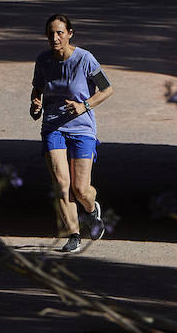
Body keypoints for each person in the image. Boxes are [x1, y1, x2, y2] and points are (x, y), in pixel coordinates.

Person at [30, 14, 114, 253]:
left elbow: (107, 88)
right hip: (53, 126)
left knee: (80, 189)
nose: (55, 38)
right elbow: (38, 89)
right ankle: (73, 234)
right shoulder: (43, 60)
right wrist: (35, 103)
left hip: (82, 128)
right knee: (61, 184)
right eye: (51, 33)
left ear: (70, 33)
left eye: (59, 33)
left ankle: (90, 209)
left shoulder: (85, 59)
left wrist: (84, 105)